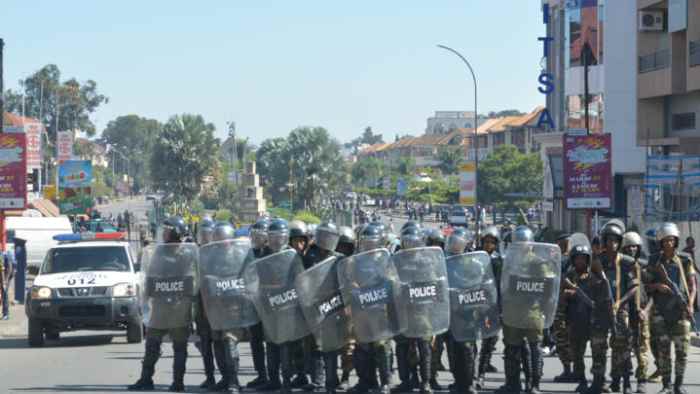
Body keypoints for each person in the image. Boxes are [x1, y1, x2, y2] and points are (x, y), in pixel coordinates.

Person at [128, 216, 197, 392]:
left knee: (180, 347)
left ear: (176, 233)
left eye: (167, 230)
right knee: (152, 345)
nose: (164, 233)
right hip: (160, 306)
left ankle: (178, 382)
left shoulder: (188, 253)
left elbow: (192, 281)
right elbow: (150, 277)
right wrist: (146, 296)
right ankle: (145, 379)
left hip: (179, 306)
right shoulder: (158, 252)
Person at [644, 222, 696, 394]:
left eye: (671, 240)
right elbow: (646, 286)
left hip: (681, 312)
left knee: (682, 352)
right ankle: (666, 385)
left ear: (676, 241)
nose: (668, 243)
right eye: (665, 241)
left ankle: (678, 385)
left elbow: (692, 286)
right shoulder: (654, 261)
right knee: (663, 352)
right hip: (660, 312)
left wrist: (689, 304)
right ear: (660, 242)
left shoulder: (684, 260)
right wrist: (658, 286)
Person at [563, 239, 614, 394]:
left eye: (583, 258)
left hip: (596, 321)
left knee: (599, 352)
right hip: (576, 320)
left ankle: (599, 381)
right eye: (577, 258)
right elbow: (559, 296)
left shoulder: (596, 275)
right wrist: (567, 294)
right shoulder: (568, 276)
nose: (580, 261)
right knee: (577, 353)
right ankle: (581, 380)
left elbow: (606, 295)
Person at [350, 224, 392, 394]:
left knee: (382, 348)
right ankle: (365, 381)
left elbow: (391, 282)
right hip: (361, 310)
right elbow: (350, 280)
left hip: (380, 309)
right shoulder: (356, 260)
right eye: (366, 241)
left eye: (372, 241)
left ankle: (385, 382)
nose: (368, 244)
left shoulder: (385, 259)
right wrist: (353, 286)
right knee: (362, 348)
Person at [392, 226, 433, 394]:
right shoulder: (396, 260)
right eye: (406, 241)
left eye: (413, 241)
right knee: (402, 345)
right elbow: (390, 280)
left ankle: (425, 382)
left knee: (424, 346)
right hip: (402, 309)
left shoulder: (426, 260)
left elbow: (433, 283)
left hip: (421, 310)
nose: (410, 245)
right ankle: (407, 380)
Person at [599, 220, 637, 394]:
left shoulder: (627, 262)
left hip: (620, 309)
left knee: (622, 347)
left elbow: (634, 286)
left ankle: (624, 381)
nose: (612, 244)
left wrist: (620, 302)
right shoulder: (597, 261)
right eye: (609, 240)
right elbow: (589, 281)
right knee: (598, 344)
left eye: (615, 240)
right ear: (604, 241)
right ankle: (600, 381)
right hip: (600, 308)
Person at [621, 231, 651, 394]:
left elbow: (654, 293)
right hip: (625, 311)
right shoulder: (620, 266)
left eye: (634, 246)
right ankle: (626, 382)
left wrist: (646, 311)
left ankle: (641, 381)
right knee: (624, 348)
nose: (631, 249)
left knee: (642, 349)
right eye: (628, 246)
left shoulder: (645, 266)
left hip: (641, 312)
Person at [476, 226, 502, 390]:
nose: (488, 245)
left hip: (493, 304)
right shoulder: (475, 258)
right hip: (476, 303)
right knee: (471, 341)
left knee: (490, 339)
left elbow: (502, 283)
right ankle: (474, 373)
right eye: (486, 242)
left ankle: (482, 372)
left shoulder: (499, 260)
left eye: (492, 242)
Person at [194, 218, 218, 390]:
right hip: (201, 304)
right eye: (202, 233)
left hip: (217, 305)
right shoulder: (195, 252)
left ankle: (228, 377)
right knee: (205, 343)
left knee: (221, 343)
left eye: (207, 233)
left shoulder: (220, 252)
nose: (204, 236)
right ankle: (209, 377)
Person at [247, 219, 270, 390]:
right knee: (255, 341)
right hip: (254, 303)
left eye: (259, 235)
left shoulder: (274, 253)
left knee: (272, 341)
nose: (256, 238)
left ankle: (273, 375)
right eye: (254, 235)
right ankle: (261, 374)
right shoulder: (248, 253)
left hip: (271, 304)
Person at [335, 226, 357, 390]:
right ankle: (327, 376)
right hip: (330, 306)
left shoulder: (356, 263)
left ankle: (345, 376)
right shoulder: (330, 262)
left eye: (346, 246)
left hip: (350, 307)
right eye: (340, 246)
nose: (343, 249)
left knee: (349, 345)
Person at [13, 238, 26, 305]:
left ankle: (19, 299)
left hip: (19, 269)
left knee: (19, 285)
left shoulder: (19, 248)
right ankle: (21, 299)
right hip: (21, 268)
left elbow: (16, 258)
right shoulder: (23, 247)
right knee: (22, 284)